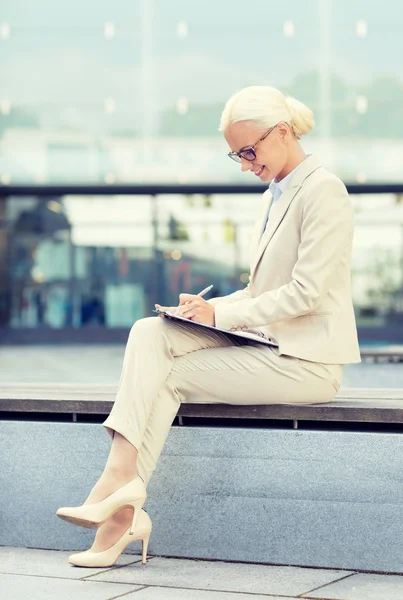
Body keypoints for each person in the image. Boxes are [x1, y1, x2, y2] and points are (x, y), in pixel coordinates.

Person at [56, 85, 361, 567]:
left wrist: (223, 315)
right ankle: (121, 504)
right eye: (235, 154)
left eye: (248, 151)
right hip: (269, 347)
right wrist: (205, 308)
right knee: (150, 333)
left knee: (164, 374)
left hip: (308, 362)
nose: (244, 164)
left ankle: (116, 499)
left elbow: (308, 293)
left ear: (281, 132)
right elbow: (262, 294)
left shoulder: (324, 190)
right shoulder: (274, 197)